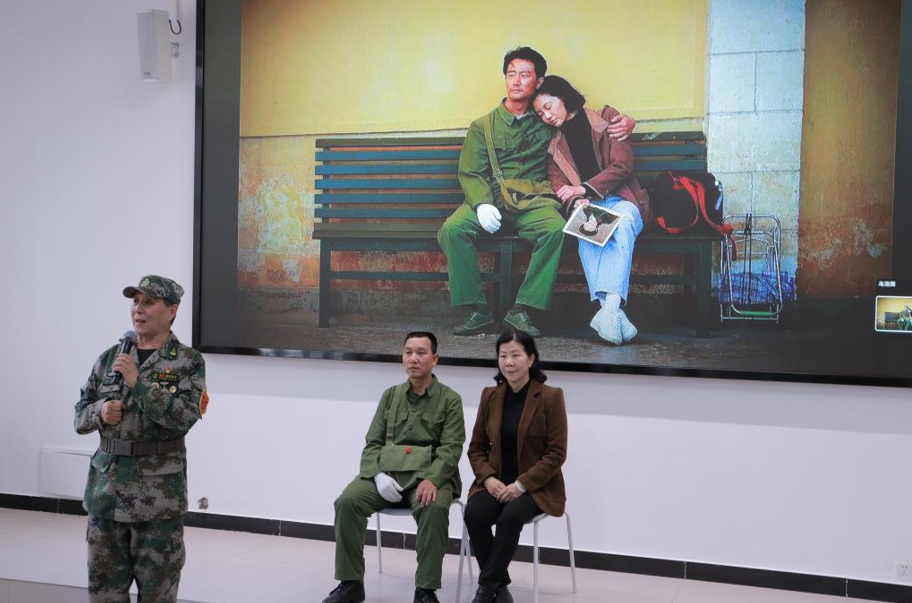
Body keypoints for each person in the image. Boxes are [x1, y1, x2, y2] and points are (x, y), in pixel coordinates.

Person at [437, 47, 635, 337]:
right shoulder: (483, 127)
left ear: (539, 81)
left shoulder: (547, 119)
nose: (516, 81)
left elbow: (585, 121)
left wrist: (626, 121)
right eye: (511, 74)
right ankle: (477, 310)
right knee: (452, 230)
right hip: (491, 199)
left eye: (524, 75)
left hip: (535, 201)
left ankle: (524, 310)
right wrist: (480, 203)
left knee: (556, 230)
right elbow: (470, 172)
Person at [74, 275, 208, 603]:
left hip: (157, 500)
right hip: (106, 495)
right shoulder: (110, 358)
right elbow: (79, 416)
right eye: (135, 302)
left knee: (158, 595)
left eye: (148, 302)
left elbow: (185, 417)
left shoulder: (188, 361)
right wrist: (100, 411)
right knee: (104, 594)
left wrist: (139, 384)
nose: (138, 309)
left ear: (172, 310)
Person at [323, 332, 465, 603]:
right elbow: (373, 442)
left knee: (434, 508)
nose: (413, 358)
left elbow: (451, 448)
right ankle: (350, 584)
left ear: (435, 359)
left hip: (428, 477)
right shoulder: (390, 396)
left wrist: (433, 479)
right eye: (408, 352)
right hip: (387, 475)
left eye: (421, 352)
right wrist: (377, 476)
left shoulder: (450, 399)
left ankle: (425, 590)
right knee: (347, 502)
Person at [532, 75, 651, 345]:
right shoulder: (555, 145)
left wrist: (582, 189)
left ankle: (608, 310)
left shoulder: (606, 118)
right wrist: (574, 202)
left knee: (620, 224)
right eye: (540, 114)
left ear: (563, 97)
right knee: (584, 230)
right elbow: (558, 183)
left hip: (624, 200)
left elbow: (622, 166)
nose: (546, 116)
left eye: (548, 107)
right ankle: (612, 313)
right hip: (591, 205)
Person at [464, 330, 568, 603]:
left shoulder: (550, 396)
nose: (508, 362)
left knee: (510, 518)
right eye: (503, 356)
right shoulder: (490, 395)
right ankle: (500, 587)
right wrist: (488, 479)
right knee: (474, 514)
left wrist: (520, 485)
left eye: (515, 355)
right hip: (495, 482)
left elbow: (556, 453)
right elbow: (476, 448)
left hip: (535, 487)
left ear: (531, 359)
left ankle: (486, 589)